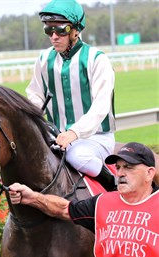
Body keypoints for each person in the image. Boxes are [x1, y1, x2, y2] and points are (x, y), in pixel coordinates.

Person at [9, 142, 159, 257]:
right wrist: (32, 197)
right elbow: (64, 209)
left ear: (149, 173)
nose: (120, 173)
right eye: (118, 167)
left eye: (128, 167)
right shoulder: (102, 203)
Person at [26, 0, 116, 191]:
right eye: (48, 31)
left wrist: (74, 133)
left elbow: (101, 106)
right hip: (57, 137)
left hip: (95, 137)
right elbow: (35, 95)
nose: (54, 36)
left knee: (77, 156)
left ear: (75, 30)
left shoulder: (97, 59)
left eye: (60, 30)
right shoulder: (43, 60)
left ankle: (113, 184)